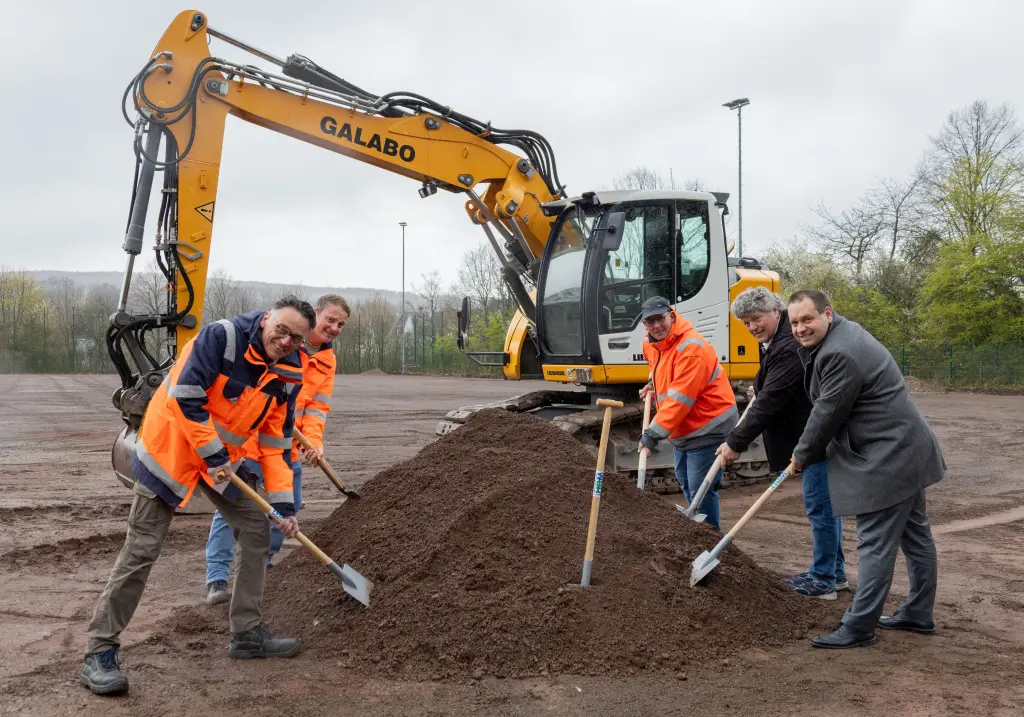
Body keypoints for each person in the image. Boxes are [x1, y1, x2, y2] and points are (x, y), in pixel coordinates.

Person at [80, 296, 315, 696]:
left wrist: (283, 506)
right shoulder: (221, 339)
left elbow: (276, 444)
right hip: (171, 452)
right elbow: (186, 397)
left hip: (220, 462)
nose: (286, 340)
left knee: (259, 531)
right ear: (266, 319)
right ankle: (99, 652)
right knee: (142, 550)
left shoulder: (290, 372)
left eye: (296, 337)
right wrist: (214, 455)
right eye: (282, 329)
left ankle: (247, 633)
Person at [787, 289, 945, 649]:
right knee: (916, 537)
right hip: (904, 448)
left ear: (828, 313)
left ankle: (859, 626)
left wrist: (801, 454)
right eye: (795, 322)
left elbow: (827, 412)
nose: (800, 328)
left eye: (807, 319)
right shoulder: (842, 335)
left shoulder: (841, 352)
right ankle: (918, 613)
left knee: (874, 542)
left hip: (890, 456)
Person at [205, 295, 349, 605]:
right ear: (315, 315)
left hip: (286, 449)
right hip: (253, 441)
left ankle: (262, 567)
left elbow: (316, 407)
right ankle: (217, 577)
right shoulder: (283, 345)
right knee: (231, 511)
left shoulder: (326, 360)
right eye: (330, 320)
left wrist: (313, 443)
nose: (334, 328)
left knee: (287, 510)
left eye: (341, 324)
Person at [715, 287, 847, 600]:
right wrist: (759, 388)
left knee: (820, 508)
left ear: (776, 312)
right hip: (810, 437)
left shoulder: (789, 344)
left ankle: (824, 579)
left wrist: (735, 441)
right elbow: (770, 385)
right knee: (823, 508)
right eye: (746, 322)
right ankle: (834, 573)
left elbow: (772, 399)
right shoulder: (777, 341)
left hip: (814, 440)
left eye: (756, 319)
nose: (752, 327)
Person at [637, 296, 738, 531]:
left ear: (672, 316)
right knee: (684, 479)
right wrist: (653, 385)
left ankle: (708, 538)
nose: (656, 326)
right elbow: (662, 371)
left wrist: (652, 433)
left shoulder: (691, 347)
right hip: (684, 428)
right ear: (644, 325)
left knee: (700, 488)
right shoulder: (651, 345)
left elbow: (681, 399)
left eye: (660, 319)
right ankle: (698, 528)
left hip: (709, 424)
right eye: (650, 322)